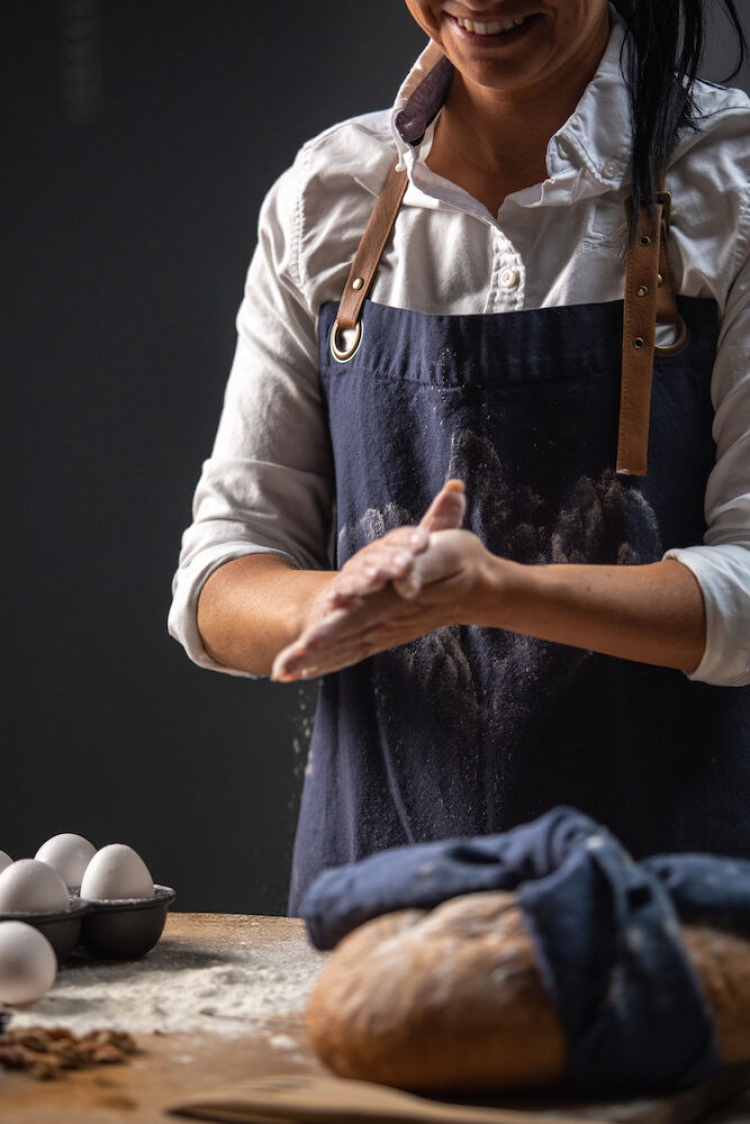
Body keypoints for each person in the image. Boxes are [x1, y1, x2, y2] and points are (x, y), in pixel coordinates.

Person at [170, 0, 750, 914]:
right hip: (379, 920)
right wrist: (353, 598)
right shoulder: (326, 196)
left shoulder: (731, 187)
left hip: (665, 937)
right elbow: (218, 578)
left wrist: (493, 592)